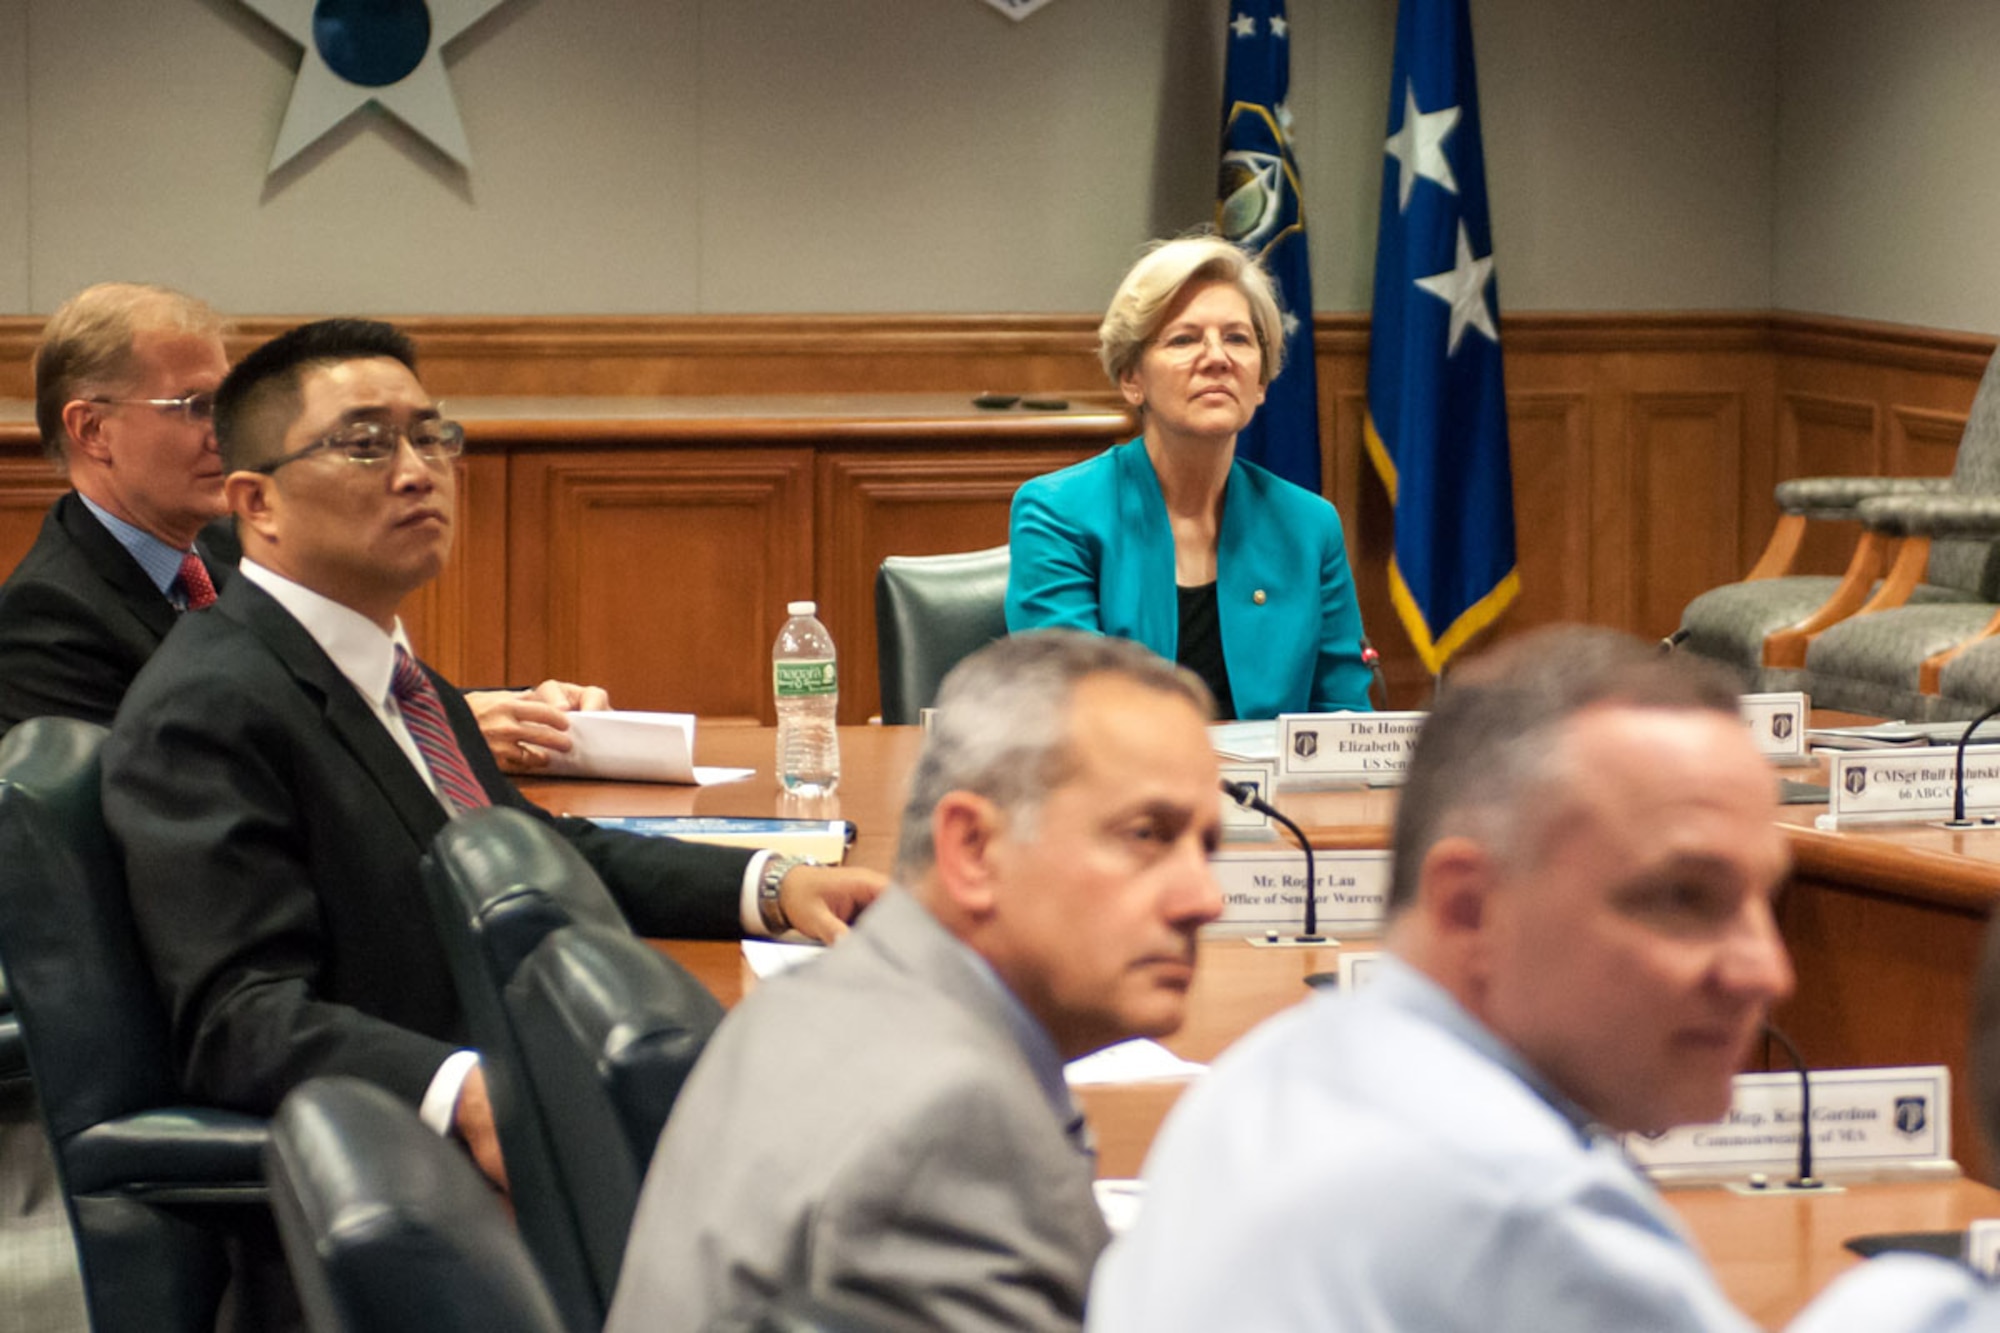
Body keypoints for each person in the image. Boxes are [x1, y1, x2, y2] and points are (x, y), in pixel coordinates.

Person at [103, 318, 883, 1189]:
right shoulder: (209, 706)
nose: (416, 471)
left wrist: (776, 885)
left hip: (543, 1079)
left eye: (431, 437)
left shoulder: (389, 671)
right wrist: (467, 1093)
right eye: (365, 445)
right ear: (258, 502)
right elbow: (238, 1019)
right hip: (412, 1184)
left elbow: (540, 851)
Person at [1087, 625, 1983, 1332]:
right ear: (1472, 908)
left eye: (1760, 899)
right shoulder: (1515, 1201)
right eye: (1682, 897)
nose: (1767, 968)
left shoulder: (1275, 1067)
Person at [605, 630, 1226, 1333]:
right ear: (973, 848)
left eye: (1207, 846)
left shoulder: (817, 1002)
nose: (1205, 897)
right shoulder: (952, 1126)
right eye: (1147, 834)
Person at [0, 281, 604, 774]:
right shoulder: (47, 614)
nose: (227, 435)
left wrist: (520, 708)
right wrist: (448, 728)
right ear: (91, 430)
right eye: (195, 407)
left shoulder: (220, 550)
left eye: (227, 404)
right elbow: (182, 788)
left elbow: (341, 688)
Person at [1005, 235, 1370, 720]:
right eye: (1184, 339)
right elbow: (1074, 709)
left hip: (1277, 797)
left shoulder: (1308, 525)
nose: (1217, 357)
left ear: (1260, 382)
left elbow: (1342, 716)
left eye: (1238, 339)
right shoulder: (1059, 512)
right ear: (1132, 378)